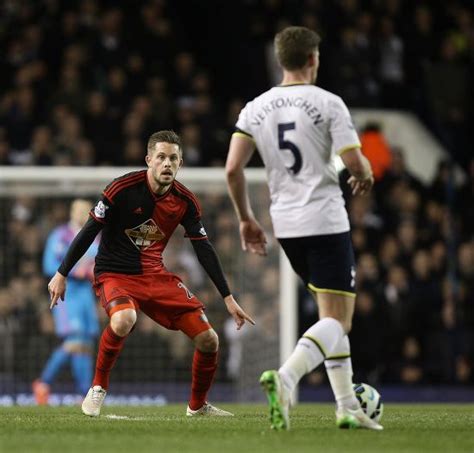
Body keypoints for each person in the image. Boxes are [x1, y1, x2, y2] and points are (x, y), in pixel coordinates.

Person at [225, 26, 382, 431]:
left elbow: (232, 169)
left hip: (286, 225)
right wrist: (363, 175)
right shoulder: (329, 103)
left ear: (280, 60)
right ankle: (287, 377)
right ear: (313, 59)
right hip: (325, 220)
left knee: (330, 316)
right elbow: (356, 162)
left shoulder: (254, 108)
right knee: (339, 321)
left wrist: (245, 217)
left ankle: (347, 406)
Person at [48, 130, 255, 417]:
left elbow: (204, 249)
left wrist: (228, 297)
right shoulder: (121, 189)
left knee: (210, 340)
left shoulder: (185, 201)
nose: (167, 163)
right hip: (115, 274)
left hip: (156, 276)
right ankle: (97, 389)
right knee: (124, 319)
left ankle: (197, 407)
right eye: (161, 157)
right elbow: (89, 230)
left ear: (180, 162)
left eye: (173, 158)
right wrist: (62, 273)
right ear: (149, 160)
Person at [33, 199, 100, 405]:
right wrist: (74, 271)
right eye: (78, 210)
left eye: (85, 211)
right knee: (74, 340)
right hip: (67, 292)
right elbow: (48, 265)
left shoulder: (95, 237)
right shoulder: (60, 235)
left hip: (86, 295)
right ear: (72, 212)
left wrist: (92, 272)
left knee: (86, 342)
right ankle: (43, 382)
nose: (82, 214)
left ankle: (83, 393)